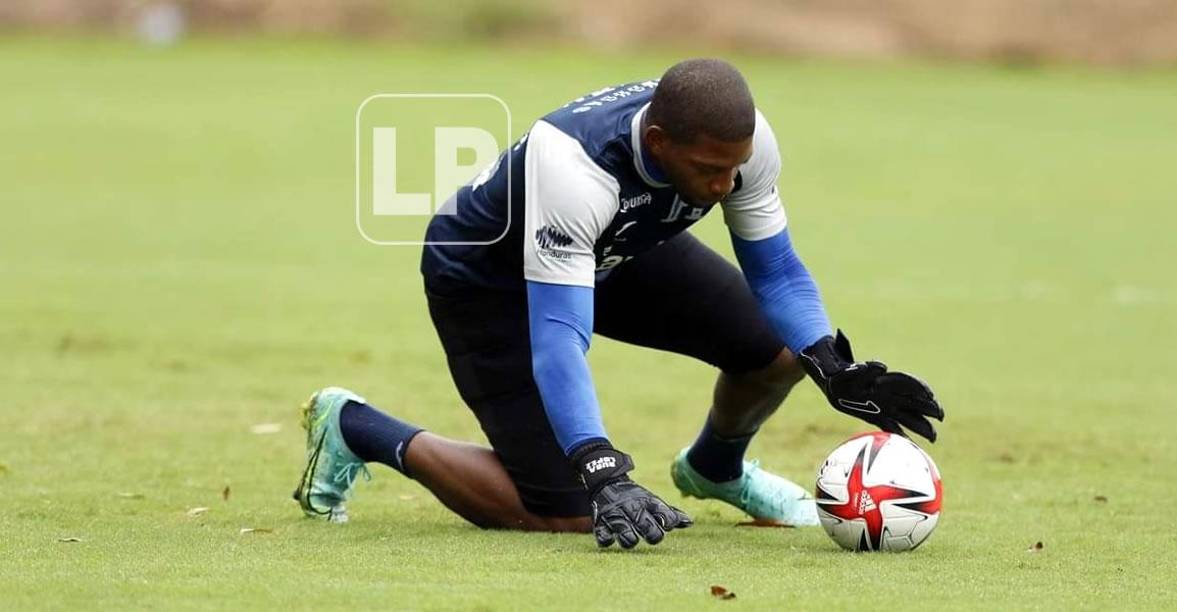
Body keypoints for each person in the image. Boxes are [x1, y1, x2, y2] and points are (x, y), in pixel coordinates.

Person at [293, 58, 943, 549]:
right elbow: (558, 337)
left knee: (780, 353)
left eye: (734, 169)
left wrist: (830, 363)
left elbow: (776, 271)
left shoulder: (736, 144)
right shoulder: (576, 167)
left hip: (617, 247)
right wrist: (601, 467)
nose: (725, 185)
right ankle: (354, 428)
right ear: (658, 144)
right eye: (709, 171)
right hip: (488, 278)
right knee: (563, 510)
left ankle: (715, 469)